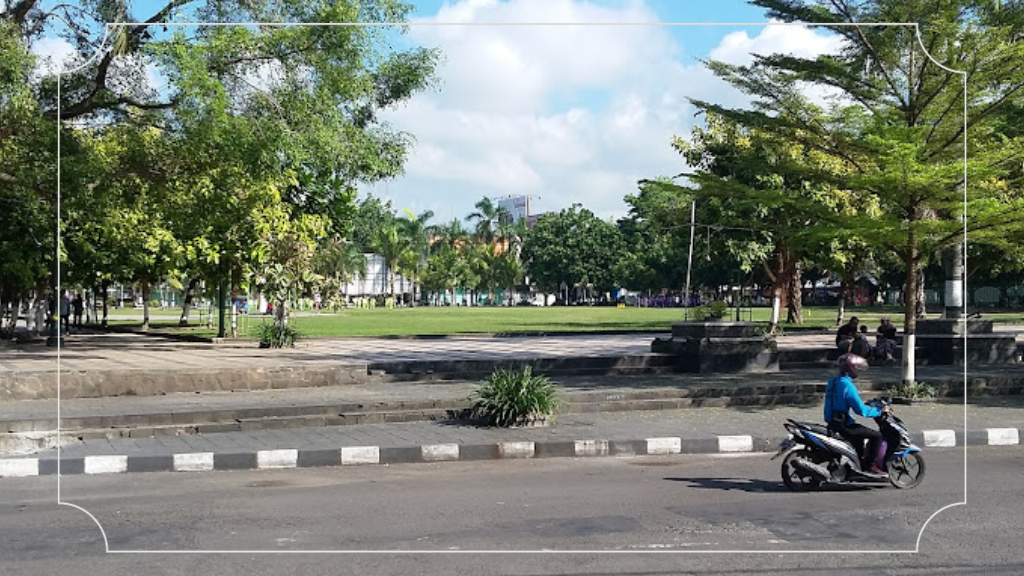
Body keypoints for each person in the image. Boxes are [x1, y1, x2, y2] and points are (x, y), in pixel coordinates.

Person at [824, 354, 891, 476]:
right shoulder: (848, 386)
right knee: (877, 436)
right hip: (844, 425)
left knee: (859, 438)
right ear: (851, 369)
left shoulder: (832, 382)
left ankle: (855, 467)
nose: (858, 371)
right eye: (857, 368)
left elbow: (841, 401)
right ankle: (869, 467)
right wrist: (879, 411)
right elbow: (861, 410)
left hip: (833, 423)